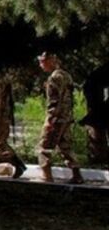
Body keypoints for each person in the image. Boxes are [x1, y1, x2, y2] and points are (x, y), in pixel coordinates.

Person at [37, 52, 83, 183]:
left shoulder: (54, 78)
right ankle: (77, 175)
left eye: (42, 61)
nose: (40, 65)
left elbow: (54, 101)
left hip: (56, 119)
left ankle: (46, 176)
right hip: (66, 117)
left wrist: (50, 120)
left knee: (44, 147)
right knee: (65, 146)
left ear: (50, 61)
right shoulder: (66, 75)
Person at [79, 63, 109, 168]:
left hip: (99, 109)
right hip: (98, 110)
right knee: (96, 135)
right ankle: (98, 158)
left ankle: (99, 158)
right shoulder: (97, 76)